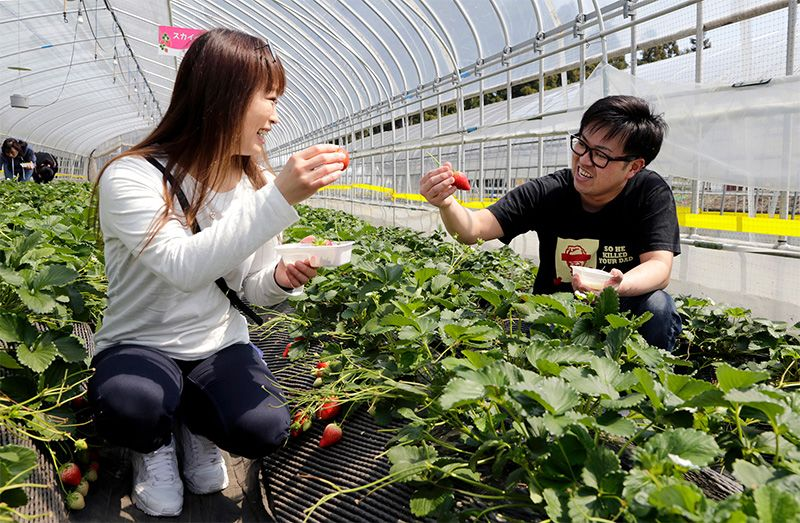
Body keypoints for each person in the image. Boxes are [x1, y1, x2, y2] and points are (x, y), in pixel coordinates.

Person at [87, 28, 346, 517]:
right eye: (269, 98)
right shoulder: (134, 175)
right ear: (225, 96)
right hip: (140, 344)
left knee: (264, 427)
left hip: (218, 345)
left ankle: (195, 423)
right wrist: (278, 199)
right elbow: (183, 267)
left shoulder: (256, 183)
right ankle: (153, 445)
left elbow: (251, 288)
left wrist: (280, 279)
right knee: (132, 405)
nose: (275, 116)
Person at [420, 95, 682, 351]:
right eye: (582, 144)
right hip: (554, 316)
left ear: (633, 167)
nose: (584, 160)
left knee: (658, 307)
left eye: (601, 155)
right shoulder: (549, 192)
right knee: (496, 340)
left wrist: (616, 287)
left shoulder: (649, 193)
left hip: (619, 314)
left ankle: (647, 374)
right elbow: (473, 229)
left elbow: (659, 266)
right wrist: (447, 203)